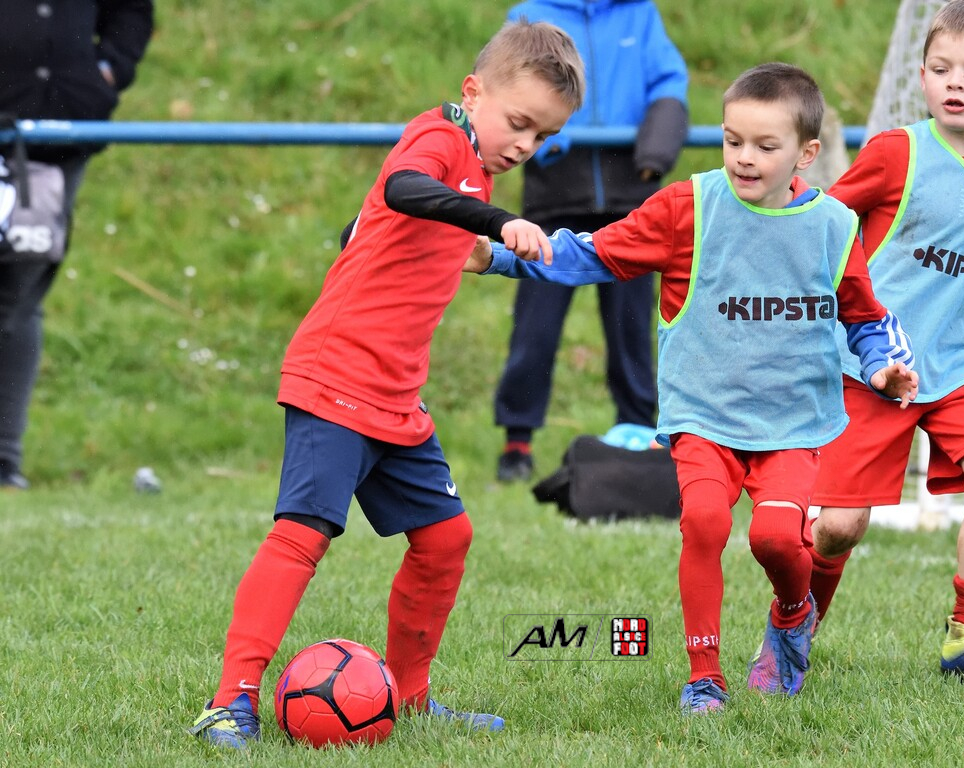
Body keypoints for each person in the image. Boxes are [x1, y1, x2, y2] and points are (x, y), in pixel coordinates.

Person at [467, 62, 919, 712]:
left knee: (773, 538)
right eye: (733, 140)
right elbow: (595, 253)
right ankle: (704, 676)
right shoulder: (689, 208)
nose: (744, 157)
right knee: (704, 521)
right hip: (704, 416)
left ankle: (794, 612)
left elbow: (865, 319)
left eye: (765, 146)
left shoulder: (833, 227)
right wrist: (499, 256)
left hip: (793, 423)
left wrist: (881, 367)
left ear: (806, 154)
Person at [187, 20, 584, 748]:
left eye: (544, 136)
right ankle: (229, 702)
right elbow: (404, 188)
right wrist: (499, 221)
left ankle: (409, 696)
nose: (526, 144)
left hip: (397, 394)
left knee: (445, 539)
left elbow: (371, 224)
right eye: (520, 122)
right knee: (304, 533)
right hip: (337, 373)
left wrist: (470, 249)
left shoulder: (475, 167)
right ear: (474, 92)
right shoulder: (440, 135)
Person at [808, 0, 964, 683]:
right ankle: (791, 632)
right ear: (921, 77)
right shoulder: (897, 152)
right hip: (873, 363)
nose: (955, 82)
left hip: (963, 362)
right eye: (941, 68)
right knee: (837, 529)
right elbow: (825, 223)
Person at [492, 0, 690, 483]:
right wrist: (548, 140)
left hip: (630, 197)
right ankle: (517, 443)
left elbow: (668, 82)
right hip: (554, 194)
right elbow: (509, 89)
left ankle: (637, 435)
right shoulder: (529, 14)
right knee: (536, 327)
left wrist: (657, 150)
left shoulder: (640, 13)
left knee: (631, 328)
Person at [0, 0, 154, 490]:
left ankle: (4, 461)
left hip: (58, 133)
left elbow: (131, 10)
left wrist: (108, 69)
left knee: (19, 296)